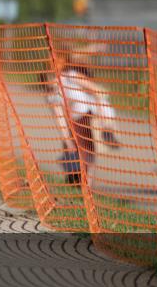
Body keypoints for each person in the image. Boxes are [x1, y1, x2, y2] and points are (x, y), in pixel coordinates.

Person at [50, 47, 120, 185]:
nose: (53, 62)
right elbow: (58, 114)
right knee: (72, 148)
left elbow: (98, 91)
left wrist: (103, 118)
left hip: (88, 115)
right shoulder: (53, 85)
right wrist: (66, 138)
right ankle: (77, 179)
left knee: (86, 149)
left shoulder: (71, 75)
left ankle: (86, 181)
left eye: (56, 59)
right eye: (51, 59)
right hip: (73, 120)